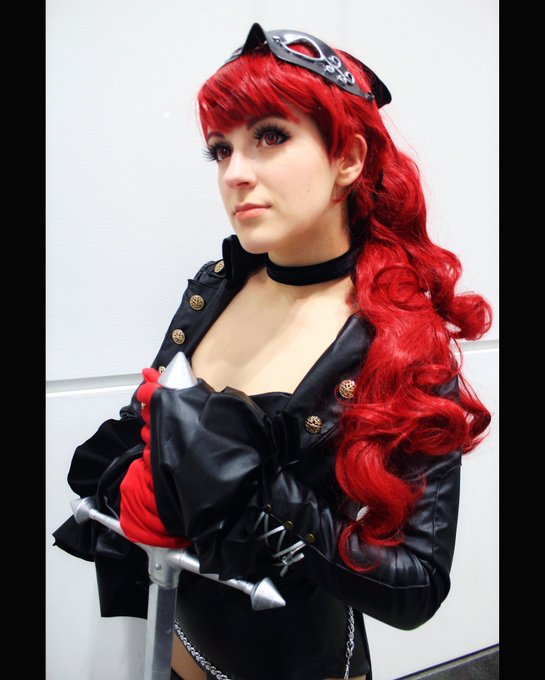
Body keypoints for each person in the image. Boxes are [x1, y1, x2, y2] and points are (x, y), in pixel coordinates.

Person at [53, 23, 493, 680]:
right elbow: (142, 434)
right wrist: (132, 479)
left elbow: (416, 585)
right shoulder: (215, 287)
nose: (235, 173)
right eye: (220, 150)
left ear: (347, 158)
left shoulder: (399, 343)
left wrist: (260, 491)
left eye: (270, 136)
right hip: (174, 650)